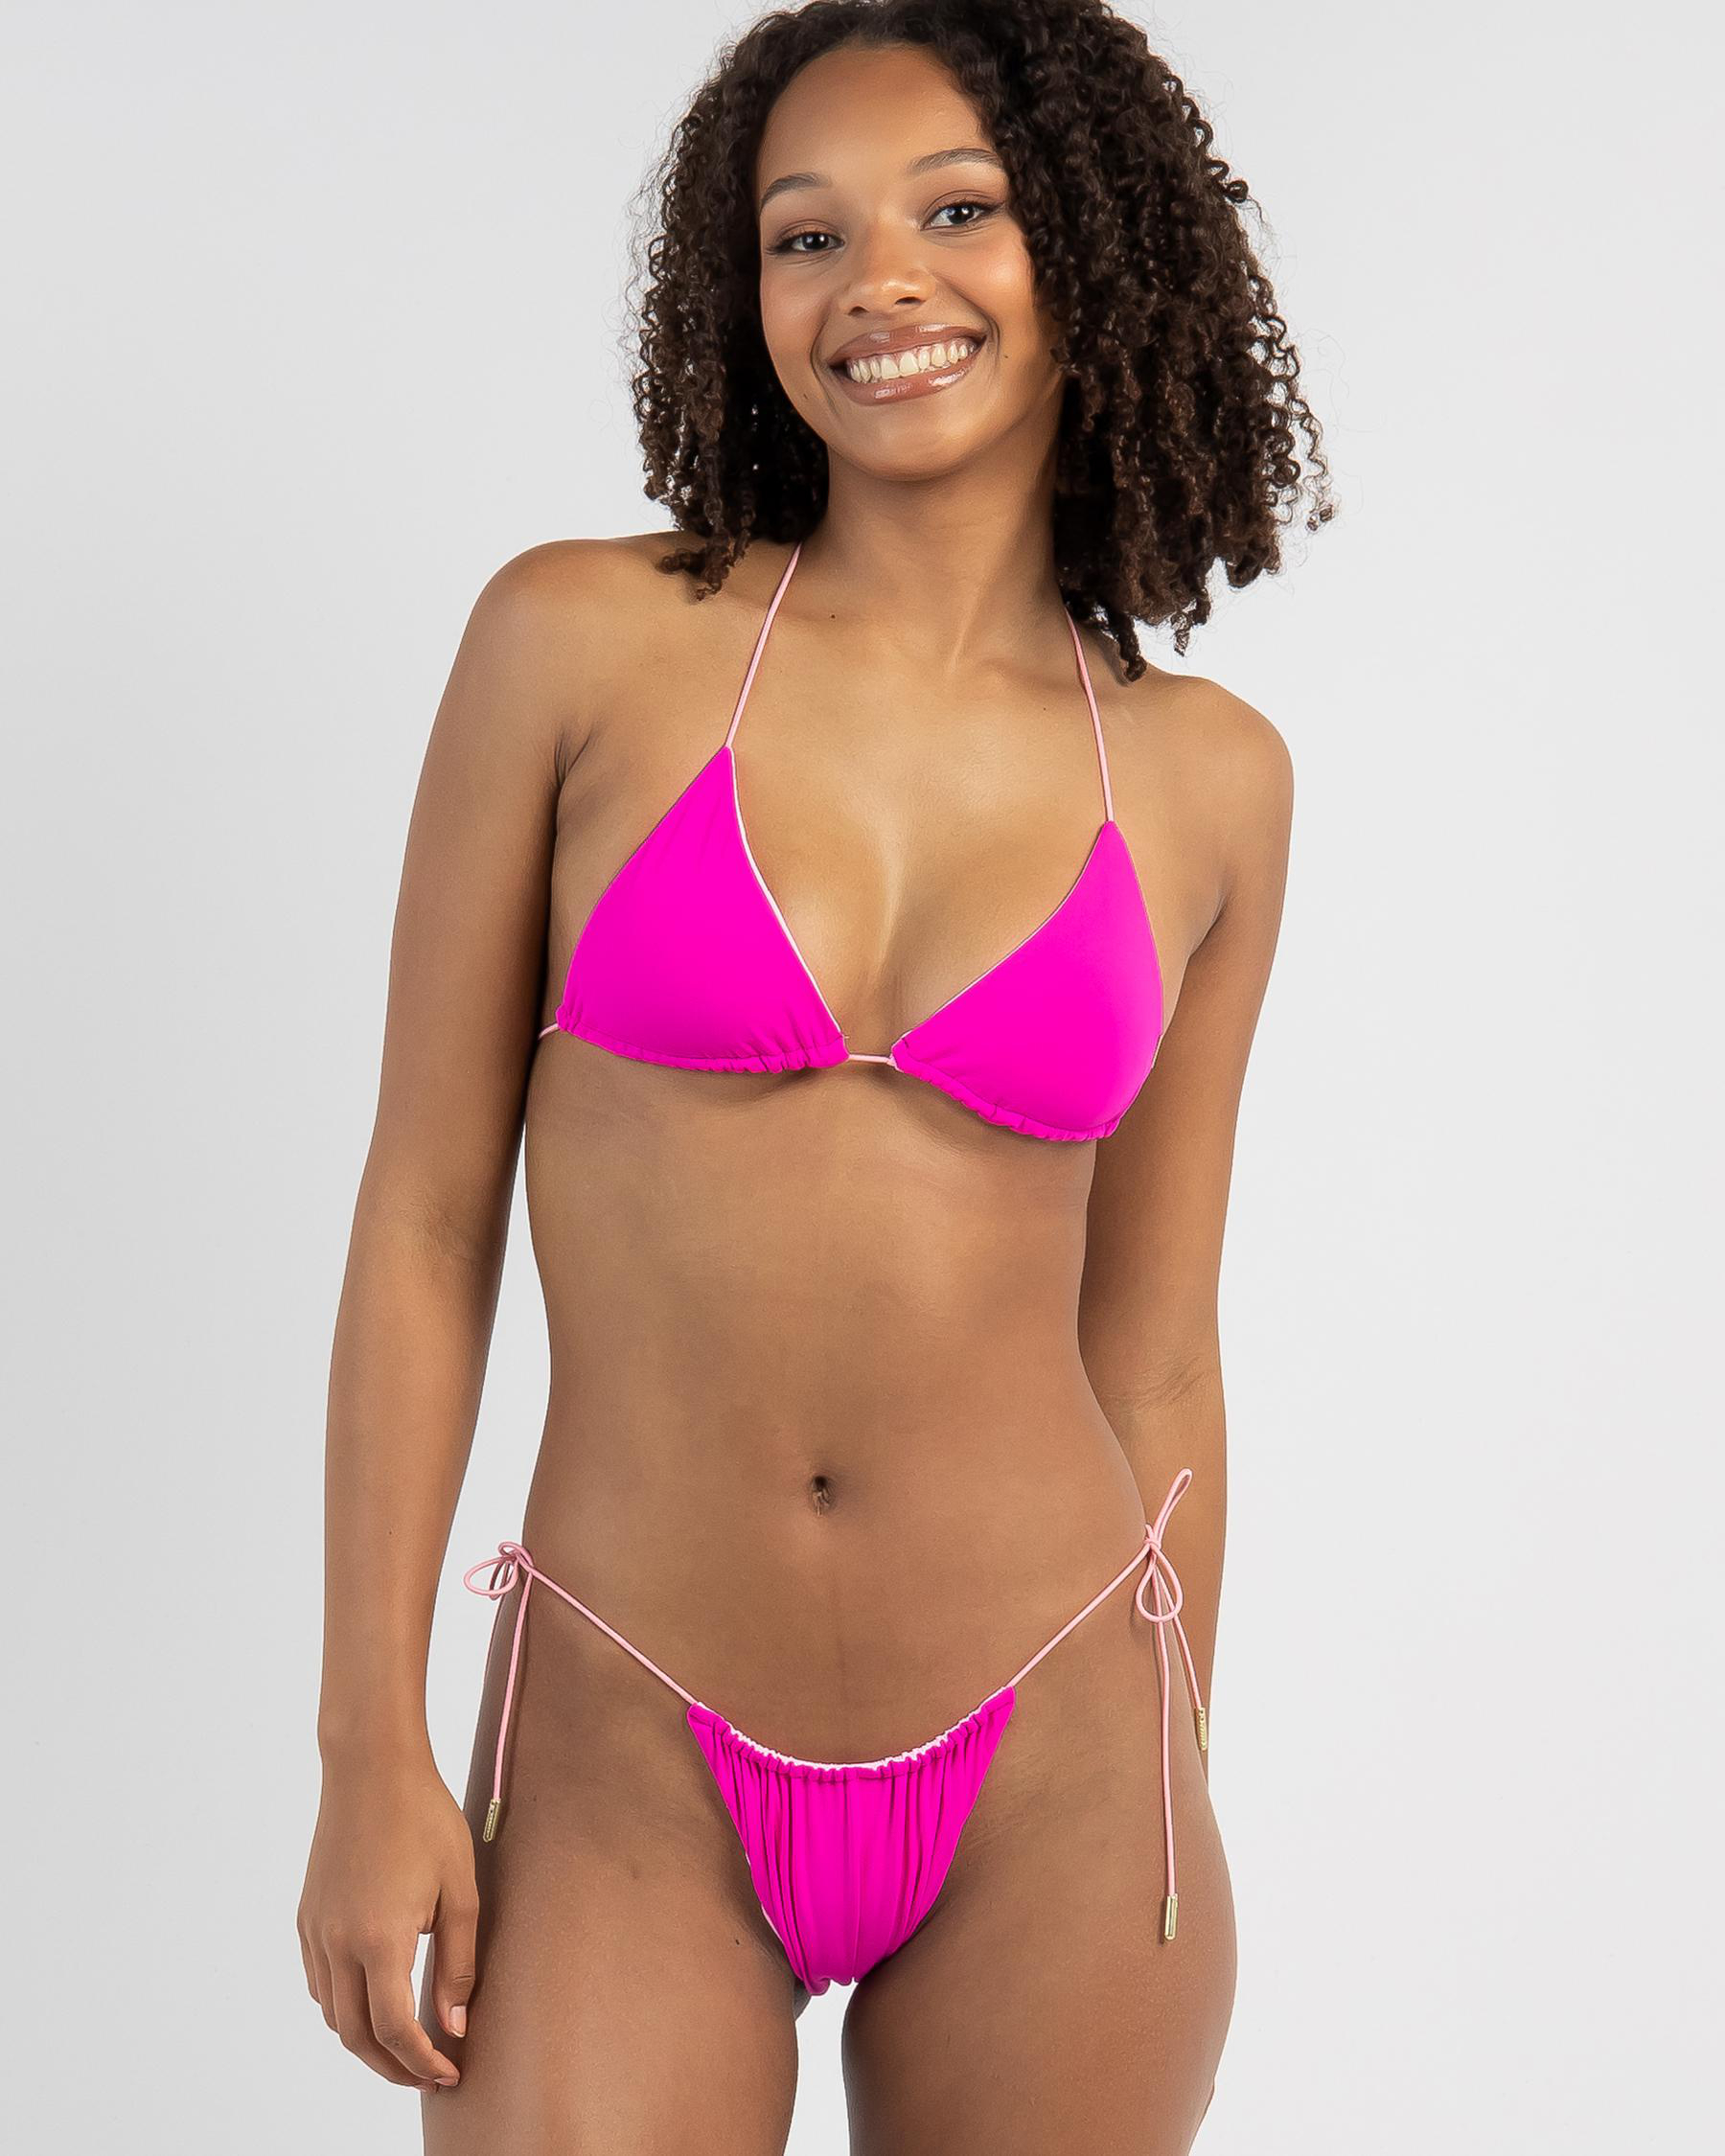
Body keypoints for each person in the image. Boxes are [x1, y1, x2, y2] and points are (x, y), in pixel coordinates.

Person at [297, 2, 1326, 2146]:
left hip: (1058, 1760)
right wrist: (367, 1745)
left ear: (1095, 252)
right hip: (625, 1734)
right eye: (806, 233)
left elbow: (1156, 1345)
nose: (879, 283)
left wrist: (1178, 1761)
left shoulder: (1211, 780)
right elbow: (422, 1217)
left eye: (959, 212)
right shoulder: (581, 645)